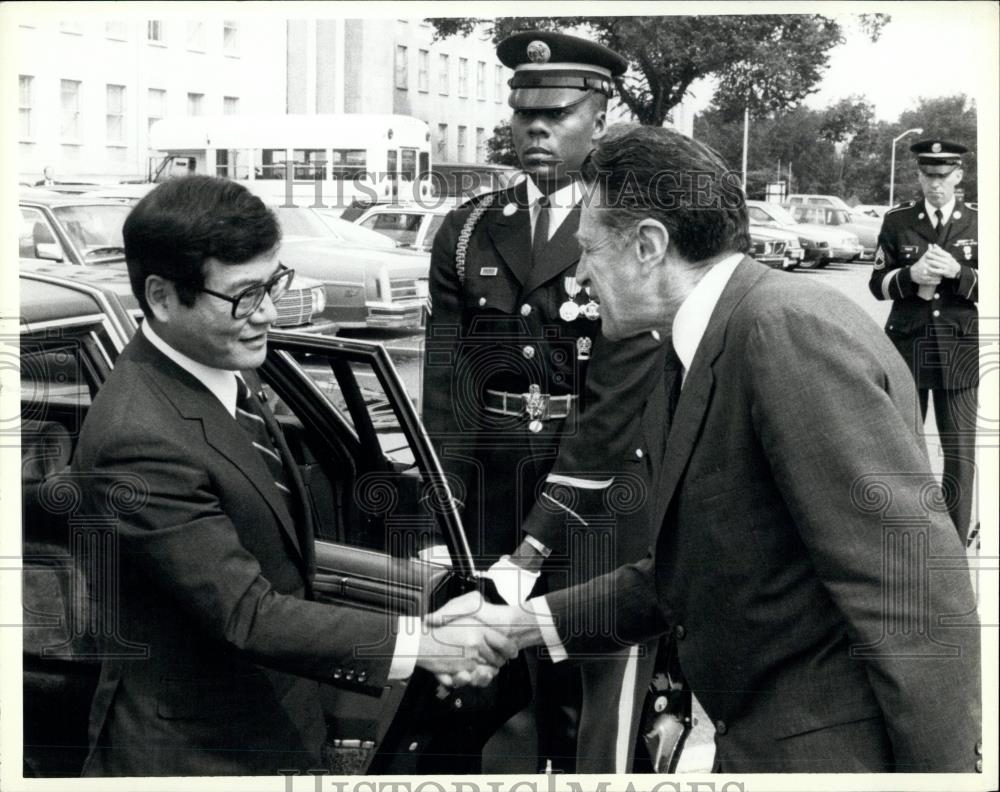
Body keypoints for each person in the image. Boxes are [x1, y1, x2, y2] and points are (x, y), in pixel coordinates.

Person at [437, 125, 982, 772]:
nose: (579, 274)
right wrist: (519, 626)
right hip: (760, 742)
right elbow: (683, 576)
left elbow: (912, 597)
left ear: (647, 246)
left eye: (588, 250)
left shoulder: (784, 331)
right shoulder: (694, 345)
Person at [72, 175, 516, 776]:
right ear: (162, 296)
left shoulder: (226, 364)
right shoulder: (138, 437)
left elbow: (283, 559)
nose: (270, 313)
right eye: (246, 295)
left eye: (273, 284)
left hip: (271, 719)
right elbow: (248, 613)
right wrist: (427, 644)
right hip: (194, 753)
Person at [421, 31, 667, 773]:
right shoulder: (467, 231)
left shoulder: (629, 232)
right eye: (524, 111)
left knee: (594, 719)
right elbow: (448, 393)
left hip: (597, 512)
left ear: (600, 114)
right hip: (493, 505)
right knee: (486, 701)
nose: (534, 128)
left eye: (556, 113)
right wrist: (445, 520)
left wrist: (533, 546)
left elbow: (616, 407)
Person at [868, 139, 979, 545]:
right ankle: (907, 532)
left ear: (959, 176)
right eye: (928, 176)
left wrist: (958, 272)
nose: (936, 184)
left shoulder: (980, 222)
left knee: (960, 453)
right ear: (918, 176)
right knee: (902, 448)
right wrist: (909, 277)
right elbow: (876, 285)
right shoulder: (898, 221)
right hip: (907, 347)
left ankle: (953, 535)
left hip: (960, 350)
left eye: (944, 176)